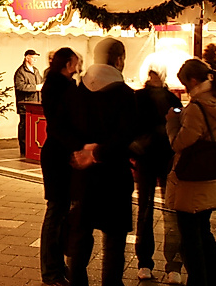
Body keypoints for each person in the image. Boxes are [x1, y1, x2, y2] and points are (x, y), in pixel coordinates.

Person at [63, 38, 137, 286]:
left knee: (80, 235)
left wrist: (82, 152)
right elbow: (126, 135)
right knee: (114, 241)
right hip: (114, 174)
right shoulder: (125, 94)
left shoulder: (78, 91)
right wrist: (99, 153)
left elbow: (66, 128)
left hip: (83, 175)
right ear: (119, 59)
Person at [166, 58, 216, 286]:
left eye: (185, 83)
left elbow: (179, 143)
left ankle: (199, 281)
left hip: (191, 181)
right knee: (204, 234)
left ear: (193, 80)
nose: (185, 88)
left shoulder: (197, 108)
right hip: (211, 177)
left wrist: (172, 122)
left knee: (191, 240)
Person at [132, 62, 182, 282]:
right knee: (146, 210)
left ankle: (172, 265)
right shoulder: (140, 97)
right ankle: (145, 261)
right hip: (150, 159)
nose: (154, 77)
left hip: (163, 159)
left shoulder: (171, 99)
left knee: (170, 211)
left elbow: (179, 119)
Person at [38, 47, 82, 286]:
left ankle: (57, 265)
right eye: (75, 62)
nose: (78, 66)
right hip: (59, 155)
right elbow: (59, 125)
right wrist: (76, 148)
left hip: (59, 152)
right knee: (56, 210)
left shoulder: (59, 85)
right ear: (67, 64)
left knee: (61, 210)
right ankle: (51, 270)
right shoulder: (60, 87)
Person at [15, 49, 43, 156]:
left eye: (36, 58)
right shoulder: (20, 72)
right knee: (24, 126)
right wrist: (35, 87)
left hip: (36, 103)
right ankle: (24, 148)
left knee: (33, 128)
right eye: (33, 58)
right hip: (25, 104)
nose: (35, 60)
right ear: (27, 58)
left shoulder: (36, 71)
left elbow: (40, 83)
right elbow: (20, 86)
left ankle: (32, 148)